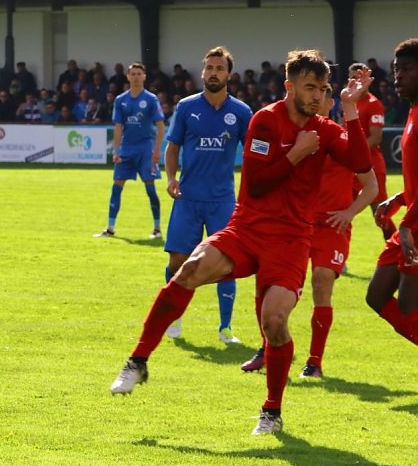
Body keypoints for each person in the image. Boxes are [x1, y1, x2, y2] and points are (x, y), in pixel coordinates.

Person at [109, 49, 372, 436]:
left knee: (275, 321)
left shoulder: (325, 129)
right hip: (248, 227)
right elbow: (260, 182)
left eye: (324, 88)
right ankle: (138, 361)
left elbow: (361, 164)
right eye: (310, 87)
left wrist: (349, 110)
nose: (318, 95)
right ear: (289, 86)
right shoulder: (264, 121)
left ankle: (271, 412)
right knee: (188, 270)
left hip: (292, 239)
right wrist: (298, 153)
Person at [241, 84, 378, 375]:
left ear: (332, 103)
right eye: (312, 93)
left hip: (331, 226)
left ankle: (314, 362)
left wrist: (349, 212)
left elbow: (371, 185)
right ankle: (267, 349)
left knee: (321, 279)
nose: (316, 99)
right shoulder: (295, 135)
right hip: (294, 224)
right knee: (265, 284)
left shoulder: (341, 138)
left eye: (323, 95)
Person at [162, 47, 252, 345]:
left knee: (226, 263)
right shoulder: (187, 107)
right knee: (178, 259)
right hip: (187, 198)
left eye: (219, 68)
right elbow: (172, 147)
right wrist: (172, 178)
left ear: (229, 74)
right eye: (209, 67)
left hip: (223, 200)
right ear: (203, 72)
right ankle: (173, 316)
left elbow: (253, 154)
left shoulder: (240, 112)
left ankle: (225, 328)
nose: (213, 72)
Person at [365, 39, 418, 347]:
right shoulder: (412, 111)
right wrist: (398, 199)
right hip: (411, 224)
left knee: (409, 308)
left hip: (414, 227)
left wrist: (408, 222)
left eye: (407, 70)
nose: (397, 77)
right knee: (376, 296)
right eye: (396, 70)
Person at [94, 63, 165, 238]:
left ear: (144, 77)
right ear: (127, 77)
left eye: (139, 73)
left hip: (145, 150)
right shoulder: (120, 100)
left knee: (150, 189)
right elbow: (118, 127)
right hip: (126, 150)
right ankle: (110, 228)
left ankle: (156, 229)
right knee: (116, 187)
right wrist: (116, 150)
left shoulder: (150, 99)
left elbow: (161, 127)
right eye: (132, 74)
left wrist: (156, 151)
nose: (135, 77)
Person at [345, 62, 391, 240]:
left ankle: (398, 251)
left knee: (380, 214)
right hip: (352, 168)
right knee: (341, 208)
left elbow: (375, 137)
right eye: (352, 78)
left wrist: (355, 153)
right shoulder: (349, 102)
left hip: (371, 166)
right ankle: (334, 255)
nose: (356, 81)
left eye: (359, 78)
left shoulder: (373, 104)